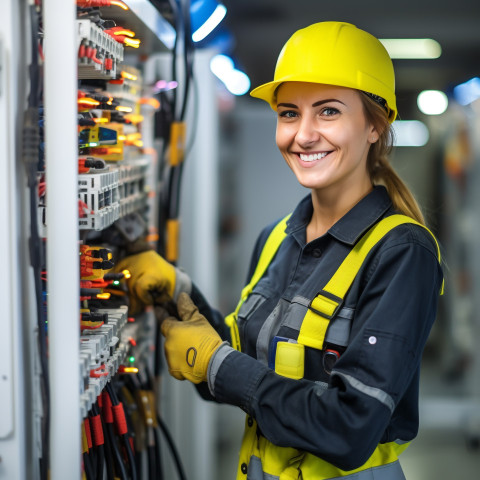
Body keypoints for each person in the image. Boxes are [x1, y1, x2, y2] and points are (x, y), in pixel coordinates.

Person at [117, 21, 444, 480]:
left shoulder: (402, 252)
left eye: (328, 112)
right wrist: (179, 291)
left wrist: (215, 364)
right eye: (289, 113)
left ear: (374, 125)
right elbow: (238, 370)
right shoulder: (276, 238)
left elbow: (350, 428)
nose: (303, 135)